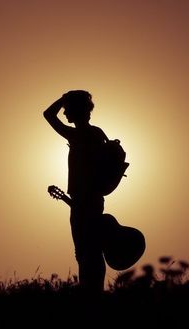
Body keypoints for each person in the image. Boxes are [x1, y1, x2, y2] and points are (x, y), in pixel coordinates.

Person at [43, 90, 109, 292]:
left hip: (83, 199)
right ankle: (95, 293)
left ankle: (90, 296)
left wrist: (64, 98)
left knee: (84, 252)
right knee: (93, 250)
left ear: (75, 110)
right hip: (95, 199)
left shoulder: (77, 134)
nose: (64, 113)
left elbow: (48, 115)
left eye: (67, 109)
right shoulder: (97, 133)